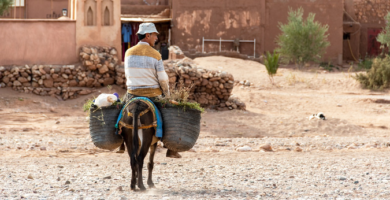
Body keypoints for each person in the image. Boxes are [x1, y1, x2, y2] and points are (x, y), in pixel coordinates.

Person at [117, 22, 181, 158]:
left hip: (132, 94)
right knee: (169, 115)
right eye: (154, 35)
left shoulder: (128, 52)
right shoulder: (155, 54)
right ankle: (171, 148)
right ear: (147, 35)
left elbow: (128, 74)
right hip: (153, 95)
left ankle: (120, 141)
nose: (156, 38)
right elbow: (163, 79)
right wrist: (167, 95)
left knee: (119, 112)